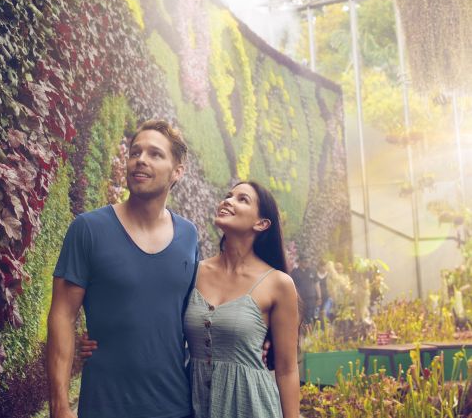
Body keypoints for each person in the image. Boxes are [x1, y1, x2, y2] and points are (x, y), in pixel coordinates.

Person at [46, 120, 198, 418]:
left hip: (175, 407)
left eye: (155, 154)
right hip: (105, 406)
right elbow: (62, 315)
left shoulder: (189, 235)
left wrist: (262, 337)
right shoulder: (88, 229)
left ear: (177, 171)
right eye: (135, 152)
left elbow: (198, 310)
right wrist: (60, 406)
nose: (140, 159)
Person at [184, 181, 299, 418]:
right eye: (228, 196)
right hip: (192, 406)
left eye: (242, 199)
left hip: (252, 406)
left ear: (261, 223)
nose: (228, 201)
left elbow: (287, 369)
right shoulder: (192, 273)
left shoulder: (278, 284)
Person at [290, 257, 320, 324]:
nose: (307, 263)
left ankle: (310, 333)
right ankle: (304, 332)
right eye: (305, 261)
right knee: (301, 318)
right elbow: (292, 286)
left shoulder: (312, 270)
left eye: (308, 261)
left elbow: (317, 284)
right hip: (300, 299)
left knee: (311, 317)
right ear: (300, 261)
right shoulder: (294, 272)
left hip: (311, 298)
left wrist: (319, 297)